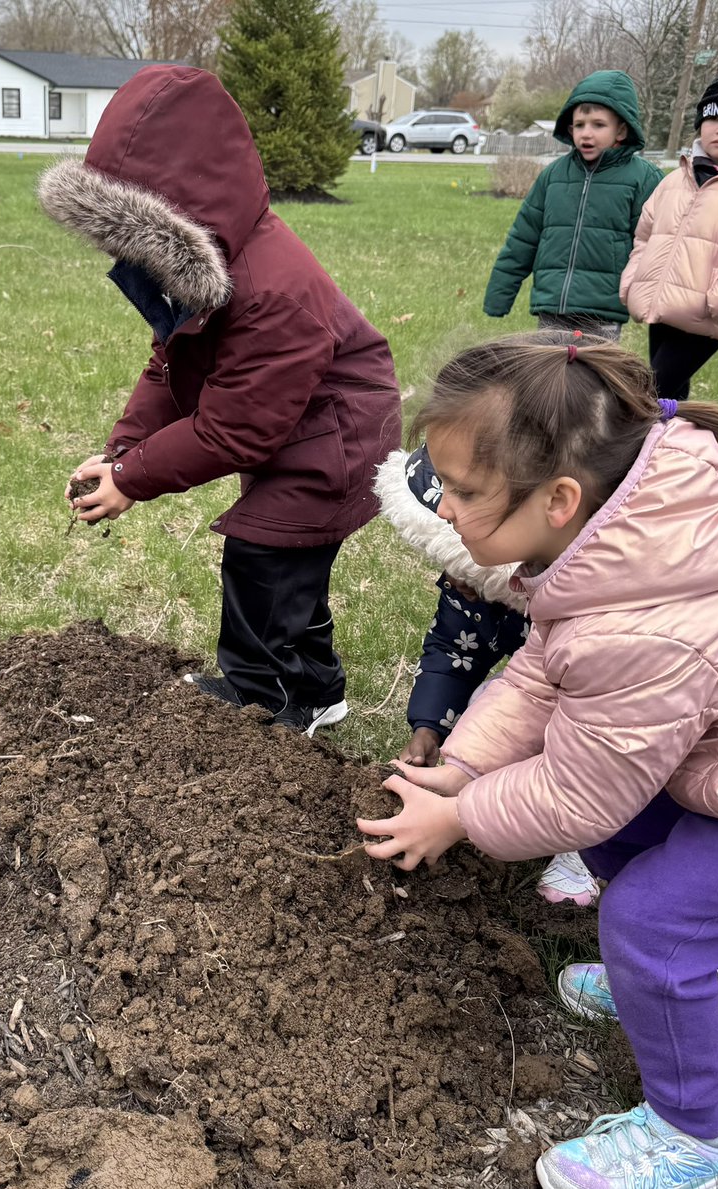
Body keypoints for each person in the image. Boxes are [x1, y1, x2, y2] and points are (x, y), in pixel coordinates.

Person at [359, 331, 718, 1188]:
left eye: (465, 492)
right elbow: (540, 673)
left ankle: (698, 1141)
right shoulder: (622, 543)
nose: (447, 510)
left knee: (649, 924)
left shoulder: (645, 630)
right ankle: (706, 991)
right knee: (634, 838)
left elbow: (578, 796)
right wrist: (463, 766)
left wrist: (459, 816)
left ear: (561, 497)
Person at [38, 65, 402, 733]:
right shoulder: (207, 273)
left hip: (341, 437)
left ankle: (264, 701)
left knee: (264, 557)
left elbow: (235, 430)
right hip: (302, 426)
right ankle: (320, 689)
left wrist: (131, 480)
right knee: (290, 565)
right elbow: (168, 368)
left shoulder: (272, 291)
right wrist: (123, 450)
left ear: (182, 215)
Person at [373, 443, 600, 907]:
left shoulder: (583, 613)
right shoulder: (470, 590)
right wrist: (428, 728)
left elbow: (599, 739)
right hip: (537, 692)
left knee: (571, 738)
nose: (457, 583)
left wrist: (462, 815)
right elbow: (452, 651)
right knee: (486, 700)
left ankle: (587, 855)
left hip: (611, 733)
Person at [484, 70, 662, 342]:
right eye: (579, 125)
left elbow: (654, 243)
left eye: (598, 125)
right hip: (553, 305)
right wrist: (500, 293)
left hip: (603, 308)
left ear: (622, 130)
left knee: (593, 378)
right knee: (551, 376)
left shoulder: (643, 178)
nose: (586, 134)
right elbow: (524, 236)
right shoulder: (554, 175)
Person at [621, 59, 718, 401]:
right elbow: (645, 235)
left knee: (646, 396)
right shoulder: (676, 179)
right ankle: (672, 450)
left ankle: (635, 452)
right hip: (661, 307)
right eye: (713, 117)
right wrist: (634, 280)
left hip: (703, 318)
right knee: (669, 401)